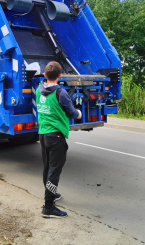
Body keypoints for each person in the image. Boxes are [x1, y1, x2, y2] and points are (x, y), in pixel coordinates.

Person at [36, 61, 81, 218]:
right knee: (54, 171)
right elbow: (71, 112)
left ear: (45, 75)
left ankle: (51, 194)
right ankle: (48, 207)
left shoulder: (38, 90)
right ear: (60, 76)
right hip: (55, 136)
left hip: (43, 135)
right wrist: (78, 113)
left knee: (47, 168)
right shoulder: (60, 93)